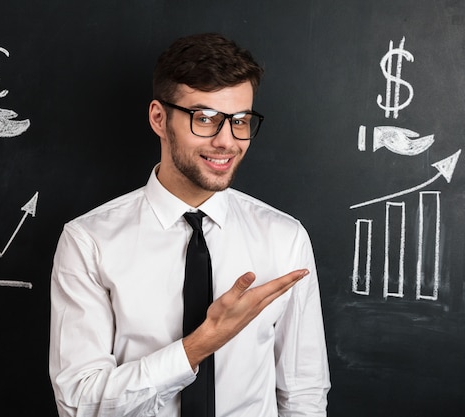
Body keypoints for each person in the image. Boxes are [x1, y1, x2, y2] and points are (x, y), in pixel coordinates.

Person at [49, 33, 330, 416]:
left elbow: (303, 393)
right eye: (206, 119)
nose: (227, 141)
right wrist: (198, 345)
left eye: (241, 121)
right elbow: (79, 402)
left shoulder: (284, 239)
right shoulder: (90, 241)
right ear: (159, 118)